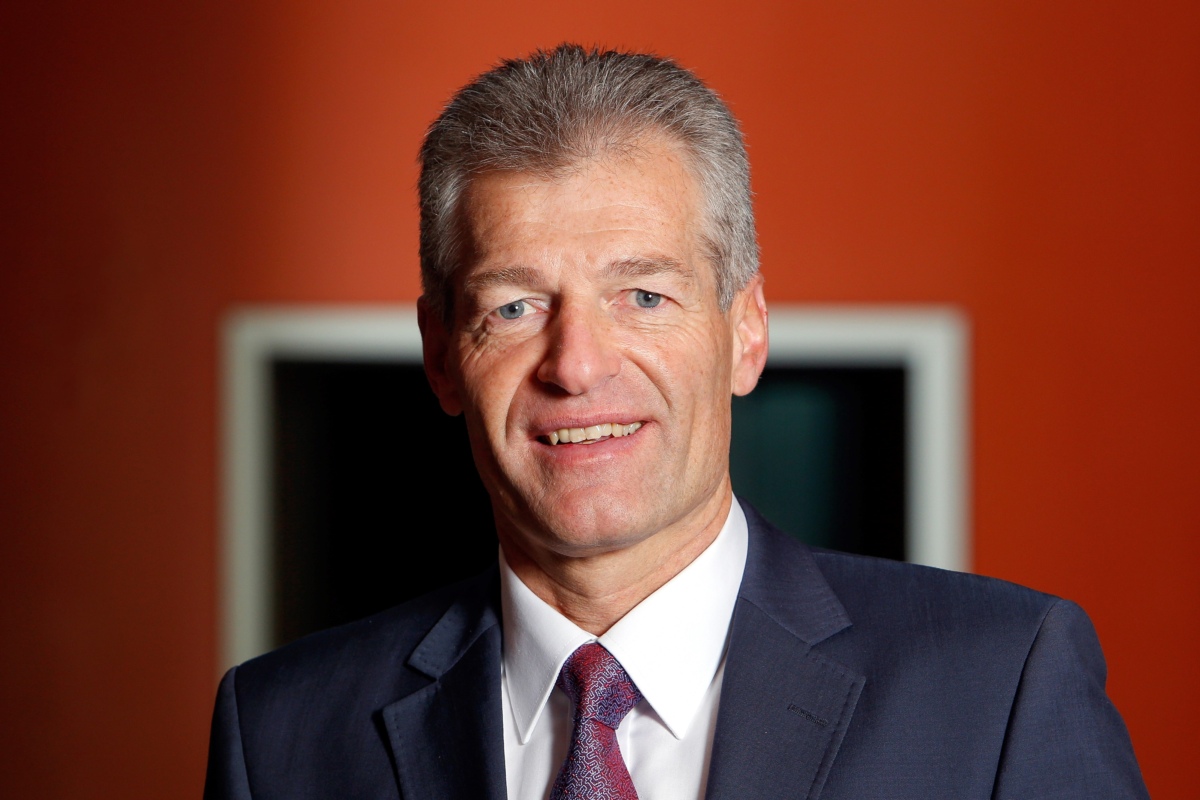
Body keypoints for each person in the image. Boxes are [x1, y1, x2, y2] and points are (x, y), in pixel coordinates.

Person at [203, 45, 1148, 799]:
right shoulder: (281, 732)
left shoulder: (1000, 686)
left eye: (645, 296)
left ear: (746, 333)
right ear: (442, 354)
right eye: (515, 307)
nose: (577, 365)